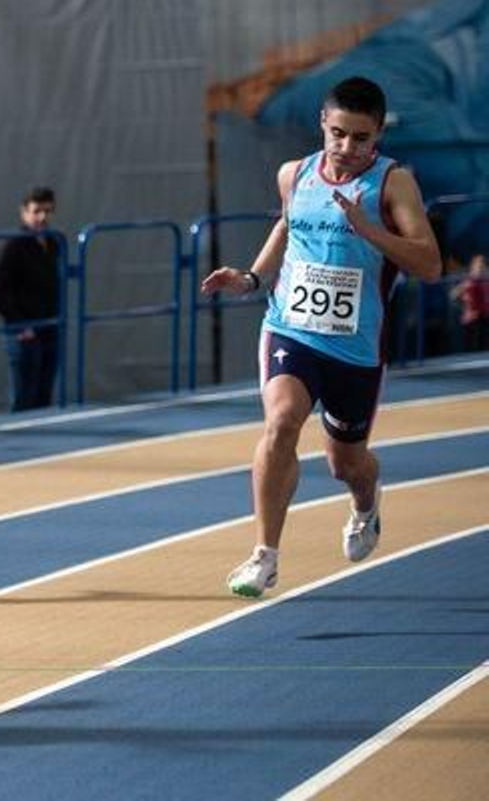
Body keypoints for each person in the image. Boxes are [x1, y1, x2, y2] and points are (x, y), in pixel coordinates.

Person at [201, 76, 441, 598]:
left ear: (378, 134)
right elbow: (288, 227)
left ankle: (366, 499)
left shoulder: (393, 183)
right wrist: (251, 278)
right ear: (322, 126)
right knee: (282, 421)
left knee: (345, 463)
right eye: (337, 134)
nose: (347, 148)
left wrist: (371, 231)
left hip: (355, 347)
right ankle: (264, 556)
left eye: (360, 138)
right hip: (291, 327)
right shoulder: (296, 174)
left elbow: (429, 264)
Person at [0, 186, 61, 411]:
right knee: (24, 399)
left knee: (44, 397)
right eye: (36, 211)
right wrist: (21, 325)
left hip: (49, 327)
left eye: (47, 211)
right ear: (24, 212)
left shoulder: (53, 242)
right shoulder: (14, 245)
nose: (42, 217)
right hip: (23, 332)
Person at [451, 253, 488, 352]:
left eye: (483, 266)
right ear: (473, 267)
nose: (481, 269)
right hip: (472, 320)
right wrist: (464, 305)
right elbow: (454, 295)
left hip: (485, 317)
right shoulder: (468, 282)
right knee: (473, 346)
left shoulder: (485, 281)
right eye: (478, 266)